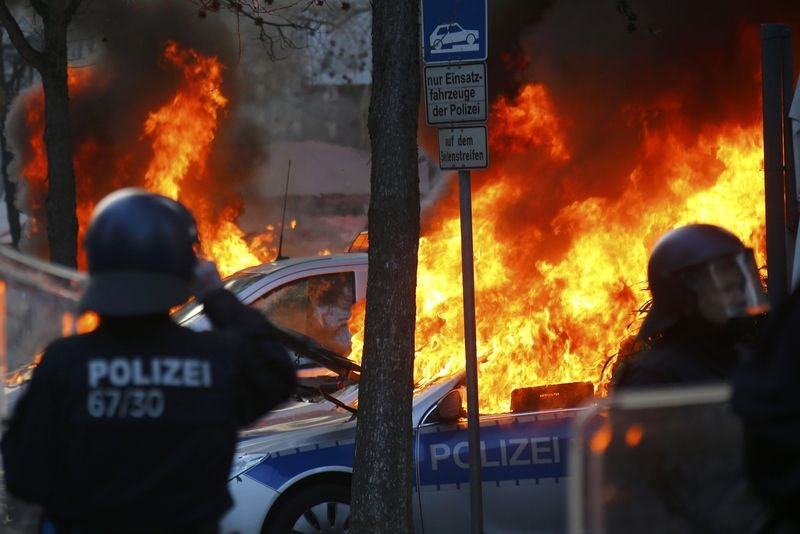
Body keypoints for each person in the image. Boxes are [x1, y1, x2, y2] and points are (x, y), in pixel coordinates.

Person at [1, 188, 296, 533]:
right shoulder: (215, 361)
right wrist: (216, 296)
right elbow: (276, 370)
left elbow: (24, 476)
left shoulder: (65, 364)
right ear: (182, 270)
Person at [613, 223, 769, 388]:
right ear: (684, 295)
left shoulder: (749, 360)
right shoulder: (654, 378)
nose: (739, 297)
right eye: (726, 289)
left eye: (740, 287)